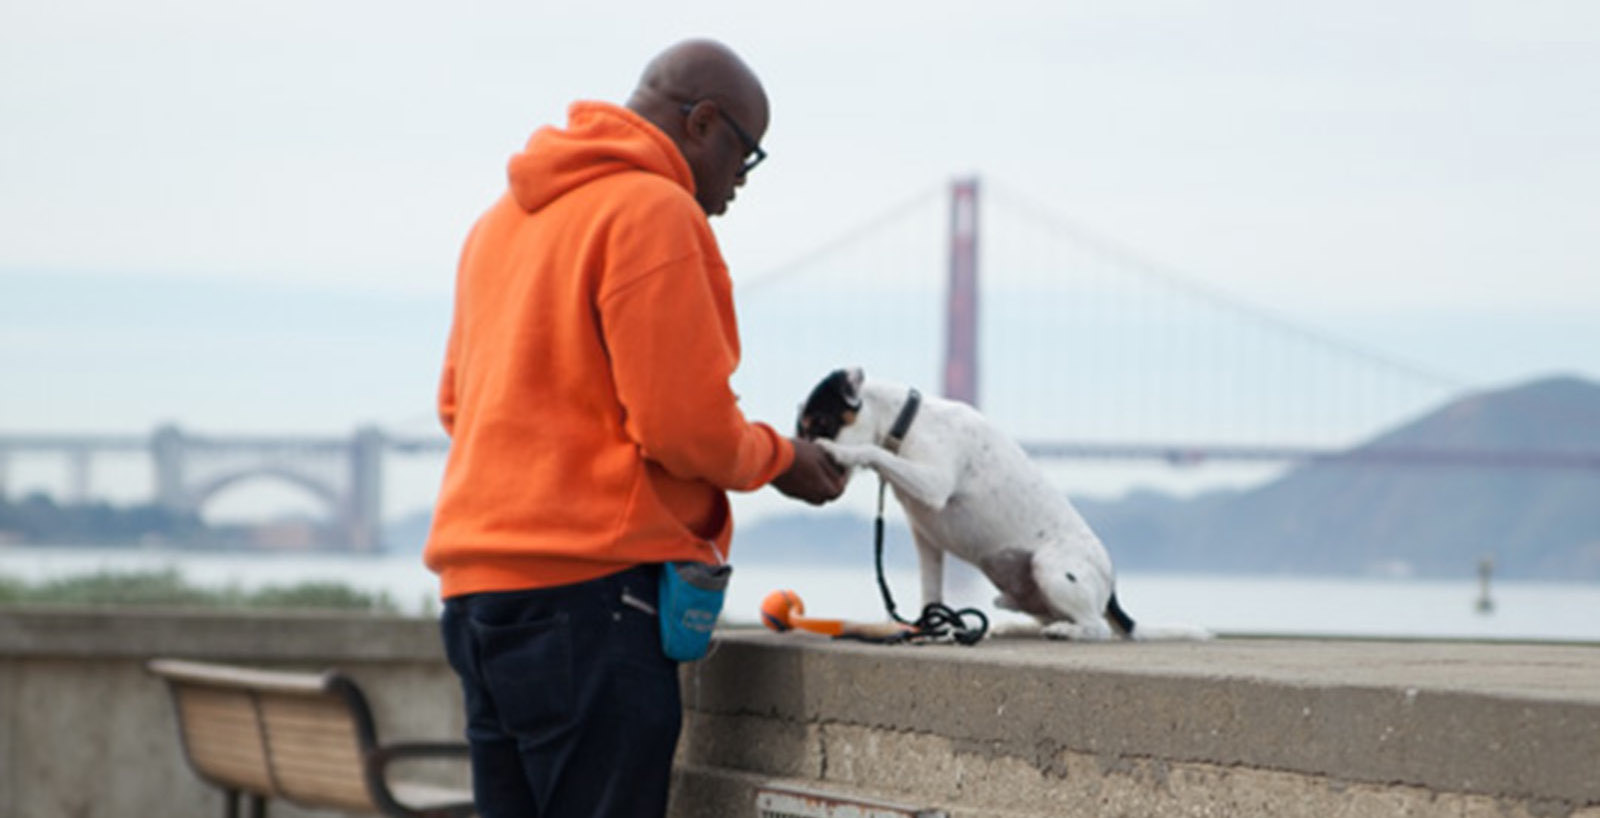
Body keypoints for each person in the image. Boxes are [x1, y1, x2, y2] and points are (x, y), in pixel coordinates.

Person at [423, 39, 847, 818]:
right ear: (704, 123)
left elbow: (459, 407)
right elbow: (685, 429)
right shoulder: (655, 211)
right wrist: (784, 458)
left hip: (478, 601)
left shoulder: (500, 223)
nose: (737, 187)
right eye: (745, 159)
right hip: (589, 603)